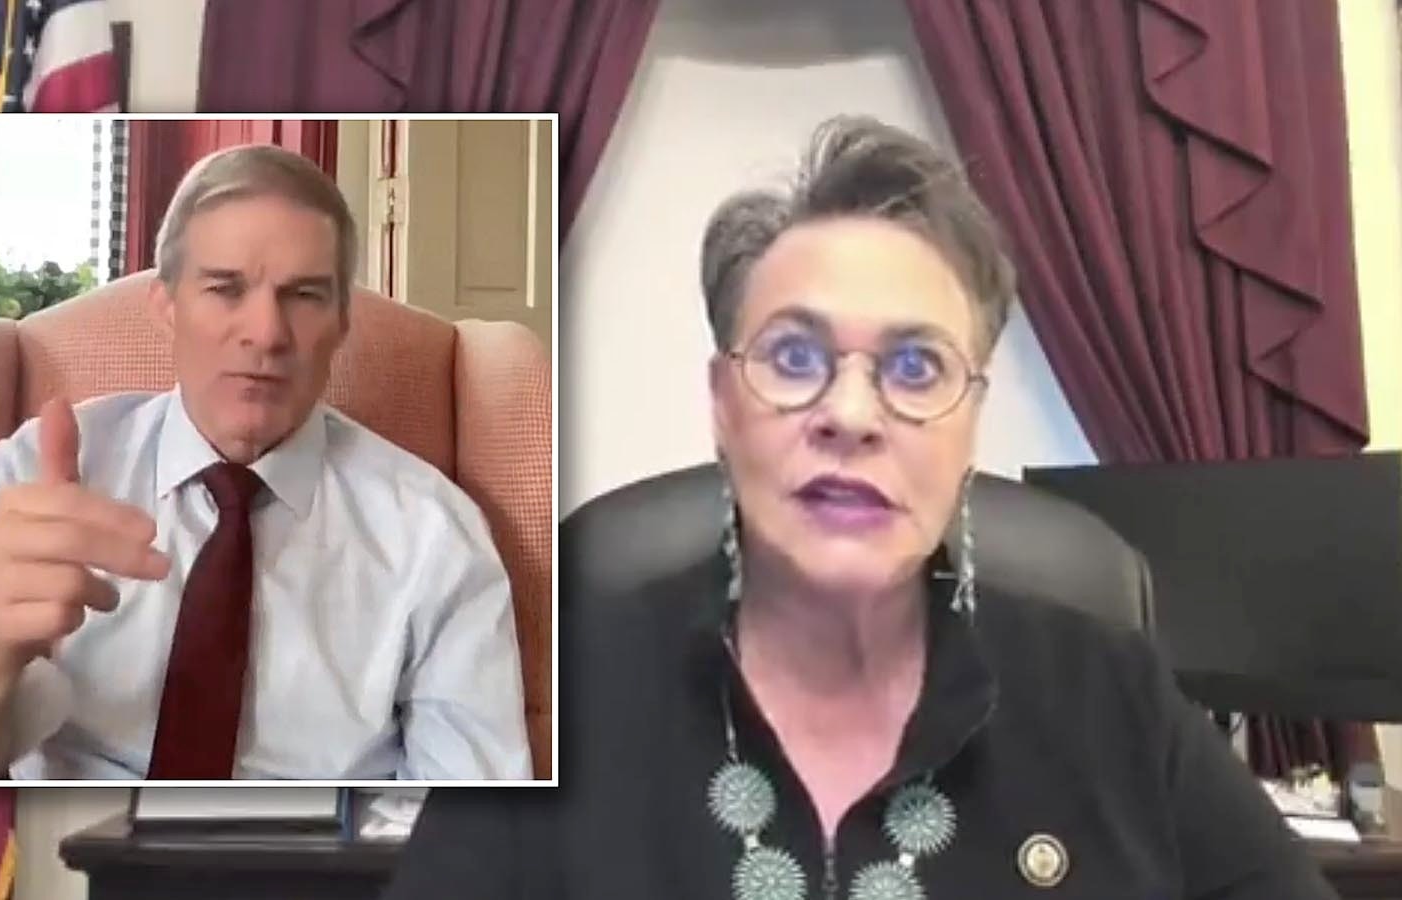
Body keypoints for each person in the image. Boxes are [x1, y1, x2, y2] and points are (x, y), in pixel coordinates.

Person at [384, 117, 1335, 897]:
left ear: (970, 420)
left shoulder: (1111, 695)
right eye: (794, 358)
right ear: (723, 406)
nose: (849, 414)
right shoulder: (567, 707)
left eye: (917, 368)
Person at [0, 144, 530, 781]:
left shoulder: (434, 532)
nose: (266, 333)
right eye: (224, 288)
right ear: (166, 308)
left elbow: (474, 819)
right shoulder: (36, 477)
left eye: (304, 295)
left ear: (341, 321)